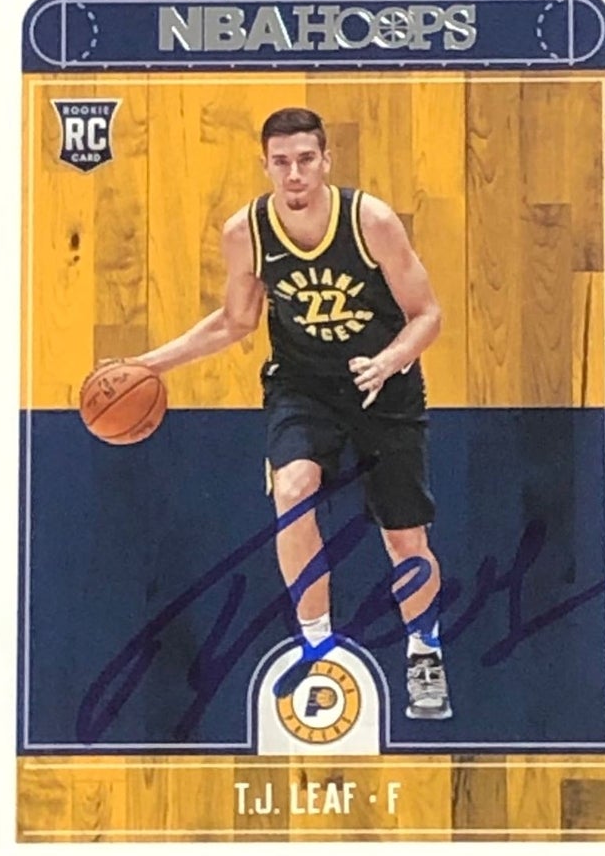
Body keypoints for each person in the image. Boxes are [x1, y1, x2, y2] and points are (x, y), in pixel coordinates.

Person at [130, 106, 451, 719]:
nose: (295, 173)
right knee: (293, 490)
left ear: (326, 161)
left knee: (404, 535)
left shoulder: (370, 222)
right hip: (303, 387)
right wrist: (149, 365)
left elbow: (428, 314)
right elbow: (235, 322)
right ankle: (316, 648)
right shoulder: (246, 232)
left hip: (384, 386)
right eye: (282, 162)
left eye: (306, 159)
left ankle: (424, 651)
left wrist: (389, 361)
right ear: (266, 166)